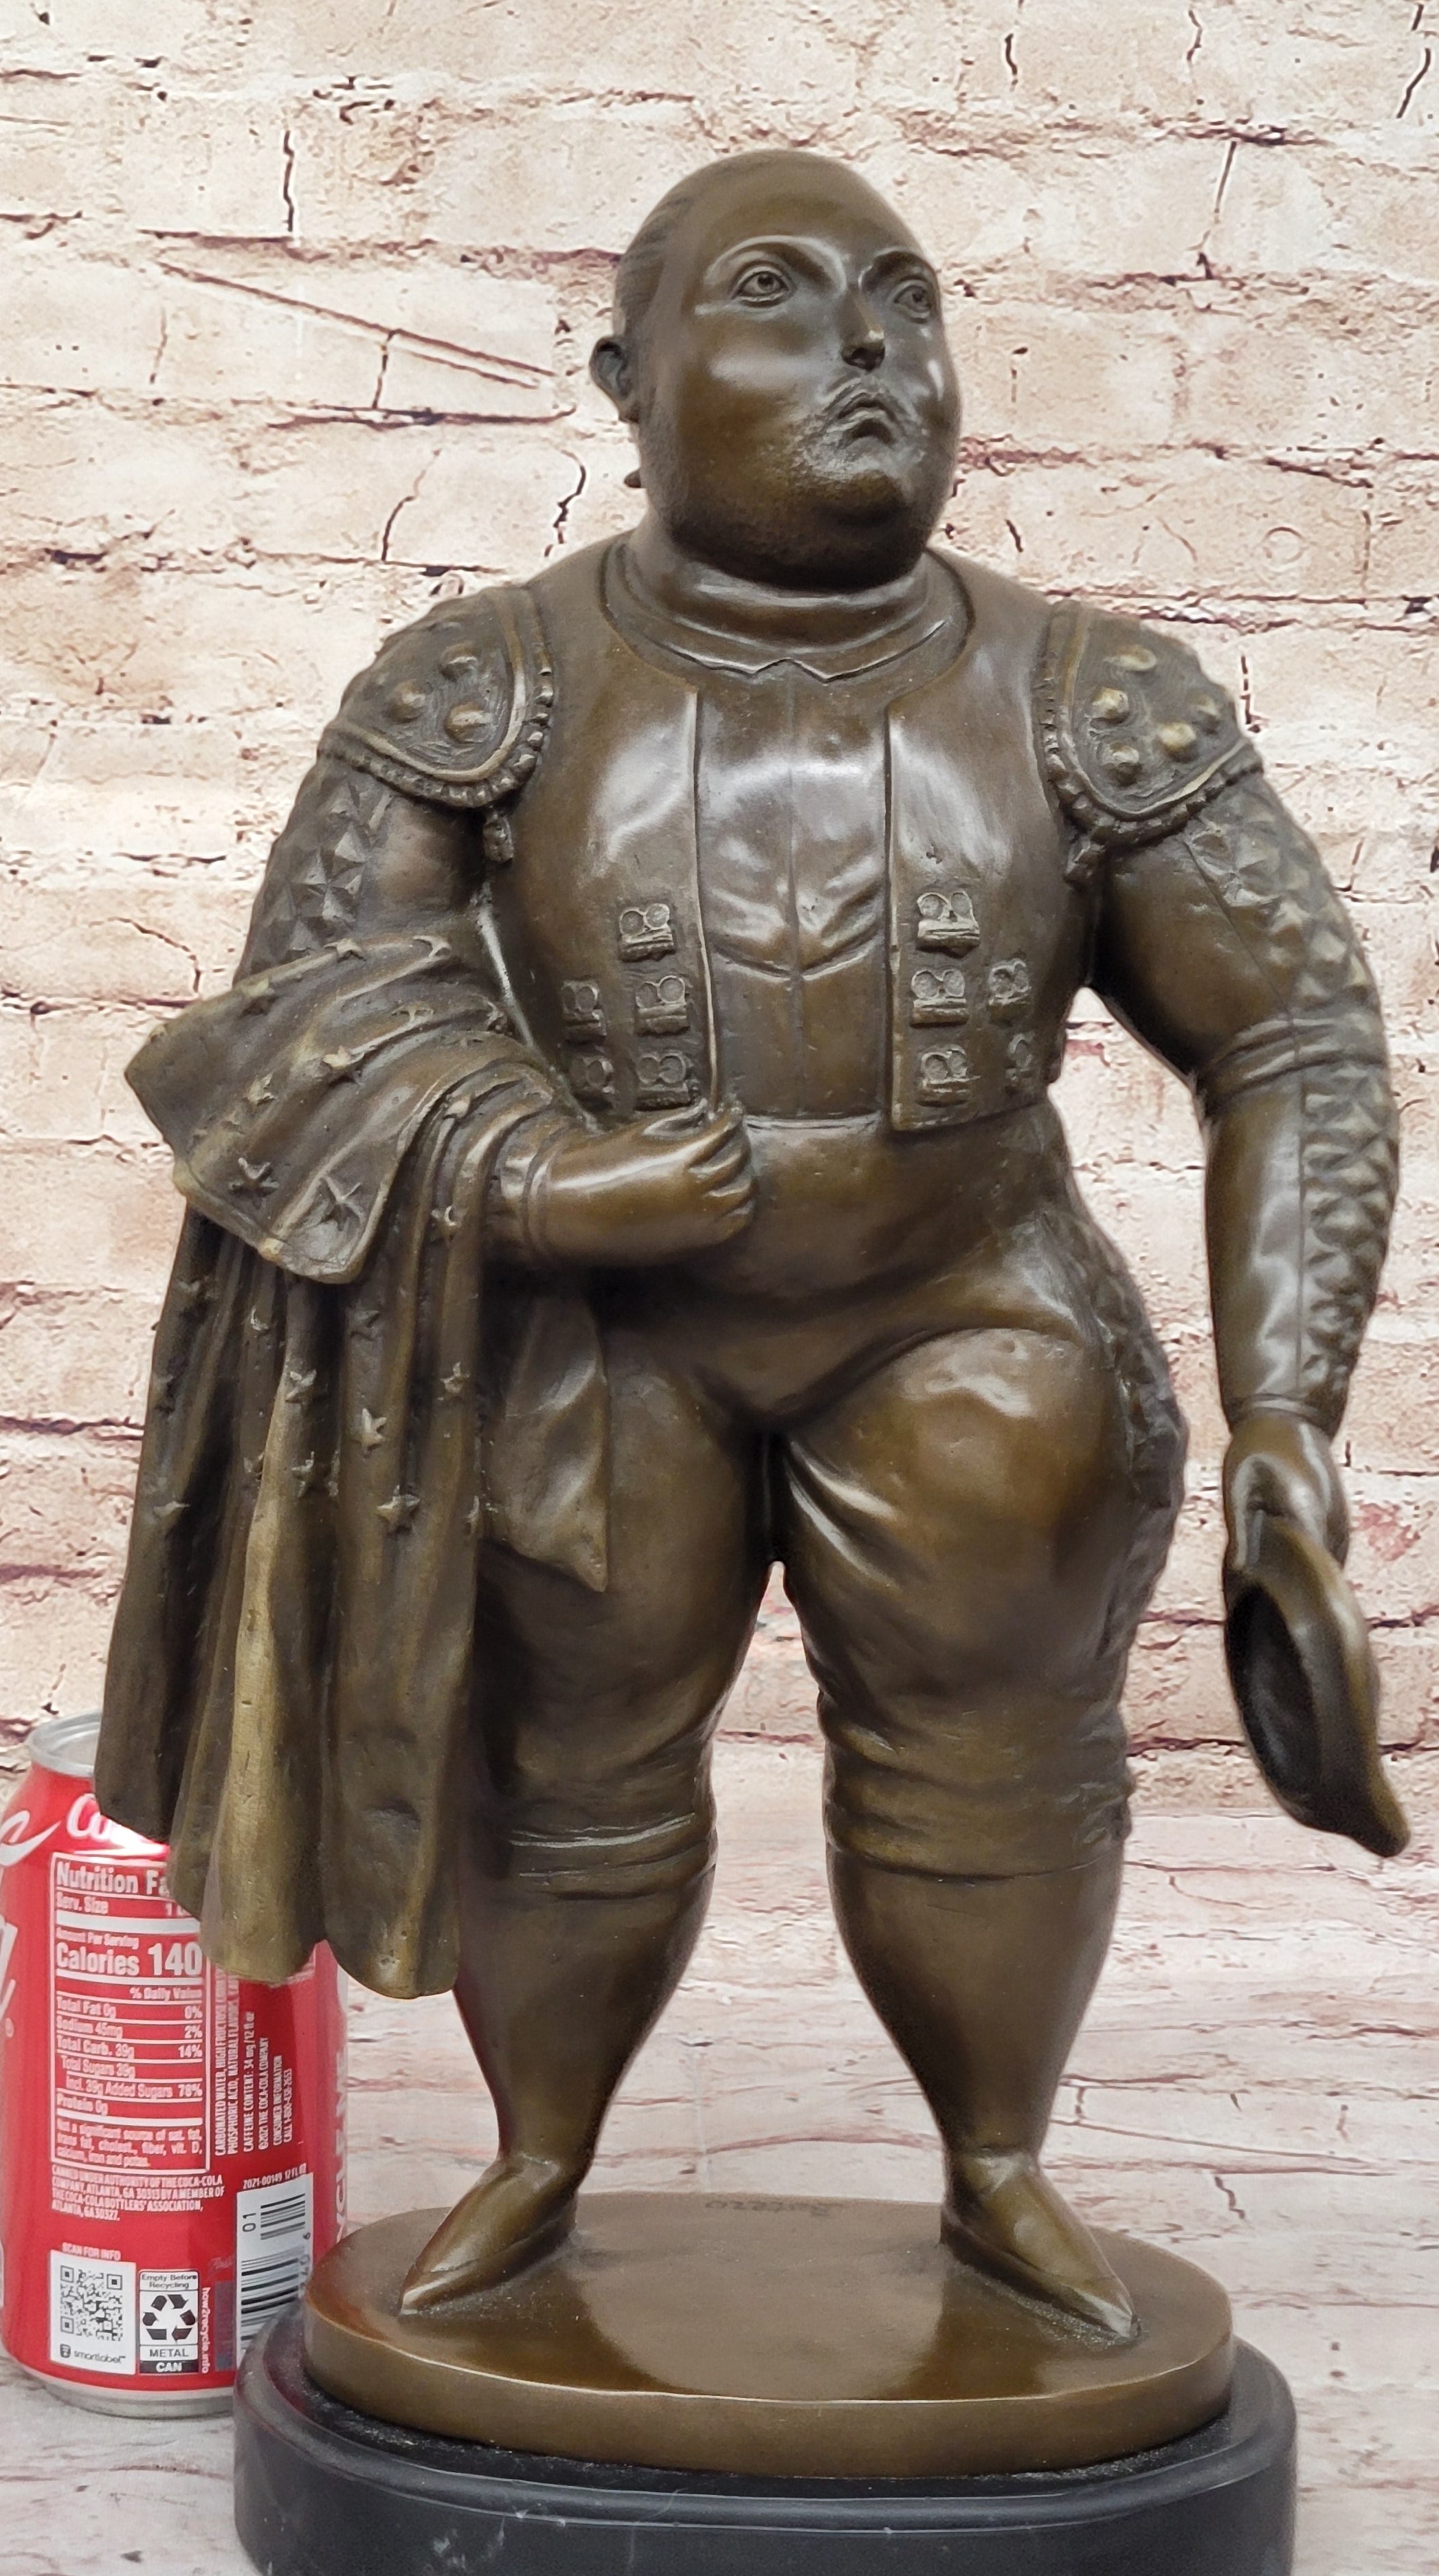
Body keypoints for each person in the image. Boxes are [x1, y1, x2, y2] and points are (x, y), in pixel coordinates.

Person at [97, 151, 1398, 2342]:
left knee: (996, 1760)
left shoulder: (1098, 699)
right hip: (604, 1330)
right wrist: (531, 1173)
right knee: (565, 1773)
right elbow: (312, 1012)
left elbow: (1294, 1035)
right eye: (779, 298)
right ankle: (539, 2155)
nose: (867, 347)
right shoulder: (479, 682)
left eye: (906, 299)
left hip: (975, 1311)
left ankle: (999, 2168)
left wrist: (1291, 1403)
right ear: (628, 378)